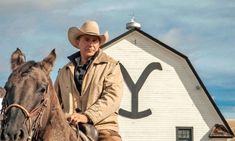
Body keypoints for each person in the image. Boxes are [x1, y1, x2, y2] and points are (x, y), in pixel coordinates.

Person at [54, 20, 123, 141]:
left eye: (94, 40)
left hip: (103, 127)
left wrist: (87, 116)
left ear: (99, 44)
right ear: (78, 42)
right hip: (68, 127)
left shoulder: (111, 66)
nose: (91, 44)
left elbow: (112, 97)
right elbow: (54, 103)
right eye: (87, 39)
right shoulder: (63, 72)